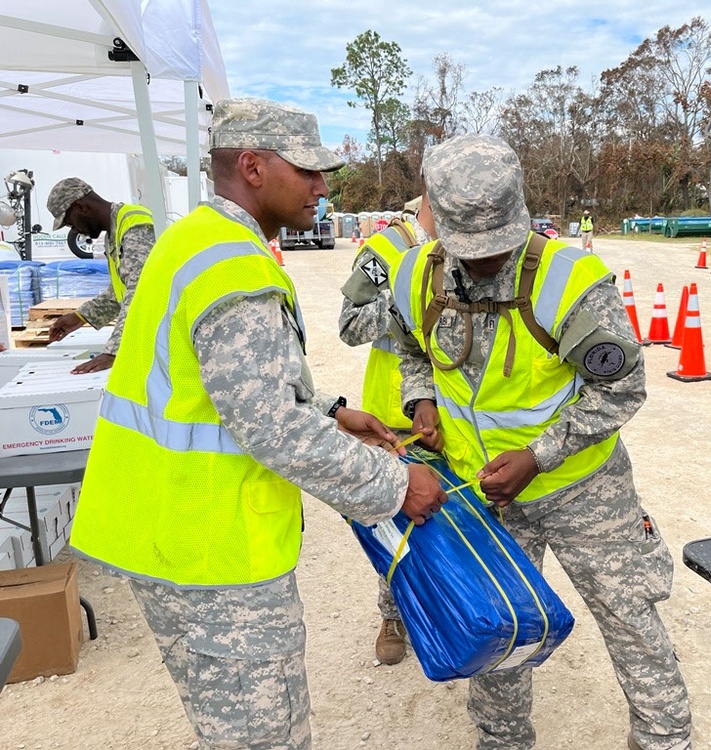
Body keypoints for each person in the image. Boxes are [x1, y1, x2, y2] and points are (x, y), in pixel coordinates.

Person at [68, 97, 448, 750]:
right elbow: (270, 428)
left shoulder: (195, 239)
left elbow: (236, 381)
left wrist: (332, 411)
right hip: (210, 548)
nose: (323, 186)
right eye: (307, 171)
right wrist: (394, 488)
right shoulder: (233, 265)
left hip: (163, 527)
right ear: (252, 166)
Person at [389, 134, 692, 750]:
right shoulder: (414, 277)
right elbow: (409, 349)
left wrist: (538, 456)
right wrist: (420, 399)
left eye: (494, 247)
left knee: (629, 618)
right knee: (501, 627)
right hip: (485, 494)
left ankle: (665, 739)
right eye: (466, 249)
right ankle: (502, 741)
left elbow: (621, 392)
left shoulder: (571, 281)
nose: (482, 262)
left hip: (584, 489)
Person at [338, 196, 436, 665]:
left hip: (457, 411)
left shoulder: (469, 243)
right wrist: (410, 301)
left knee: (451, 513)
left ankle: (445, 607)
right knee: (398, 516)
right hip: (395, 412)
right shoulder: (388, 247)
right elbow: (350, 324)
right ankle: (393, 613)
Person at [45, 178, 157, 373]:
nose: (75, 230)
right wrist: (80, 317)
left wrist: (114, 351)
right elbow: (118, 293)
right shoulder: (114, 233)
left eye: (71, 223)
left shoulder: (136, 227)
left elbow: (142, 292)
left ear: (81, 207)